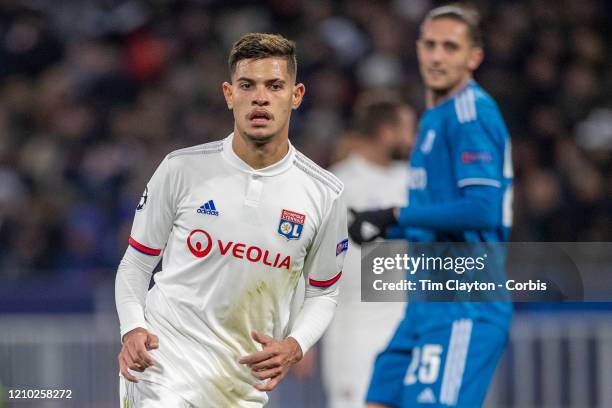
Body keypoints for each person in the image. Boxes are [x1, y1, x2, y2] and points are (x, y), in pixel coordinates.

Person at [115, 33, 348, 408]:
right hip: (162, 364)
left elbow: (324, 291)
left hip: (240, 385)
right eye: (247, 85)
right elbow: (137, 261)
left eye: (275, 86)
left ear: (296, 95)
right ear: (228, 94)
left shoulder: (324, 194)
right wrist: (132, 327)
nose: (260, 97)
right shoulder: (182, 168)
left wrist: (295, 344)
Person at [349, 4, 513, 408]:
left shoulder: (470, 115)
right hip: (424, 304)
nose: (438, 56)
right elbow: (440, 212)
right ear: (419, 48)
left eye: (451, 47)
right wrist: (387, 226)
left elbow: (482, 209)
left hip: (464, 304)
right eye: (431, 45)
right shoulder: (433, 119)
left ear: (473, 57)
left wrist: (395, 215)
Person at [322, 95, 416, 408]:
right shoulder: (338, 183)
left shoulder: (413, 180)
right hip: (355, 326)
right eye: (408, 130)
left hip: (408, 321)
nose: (414, 139)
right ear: (387, 133)